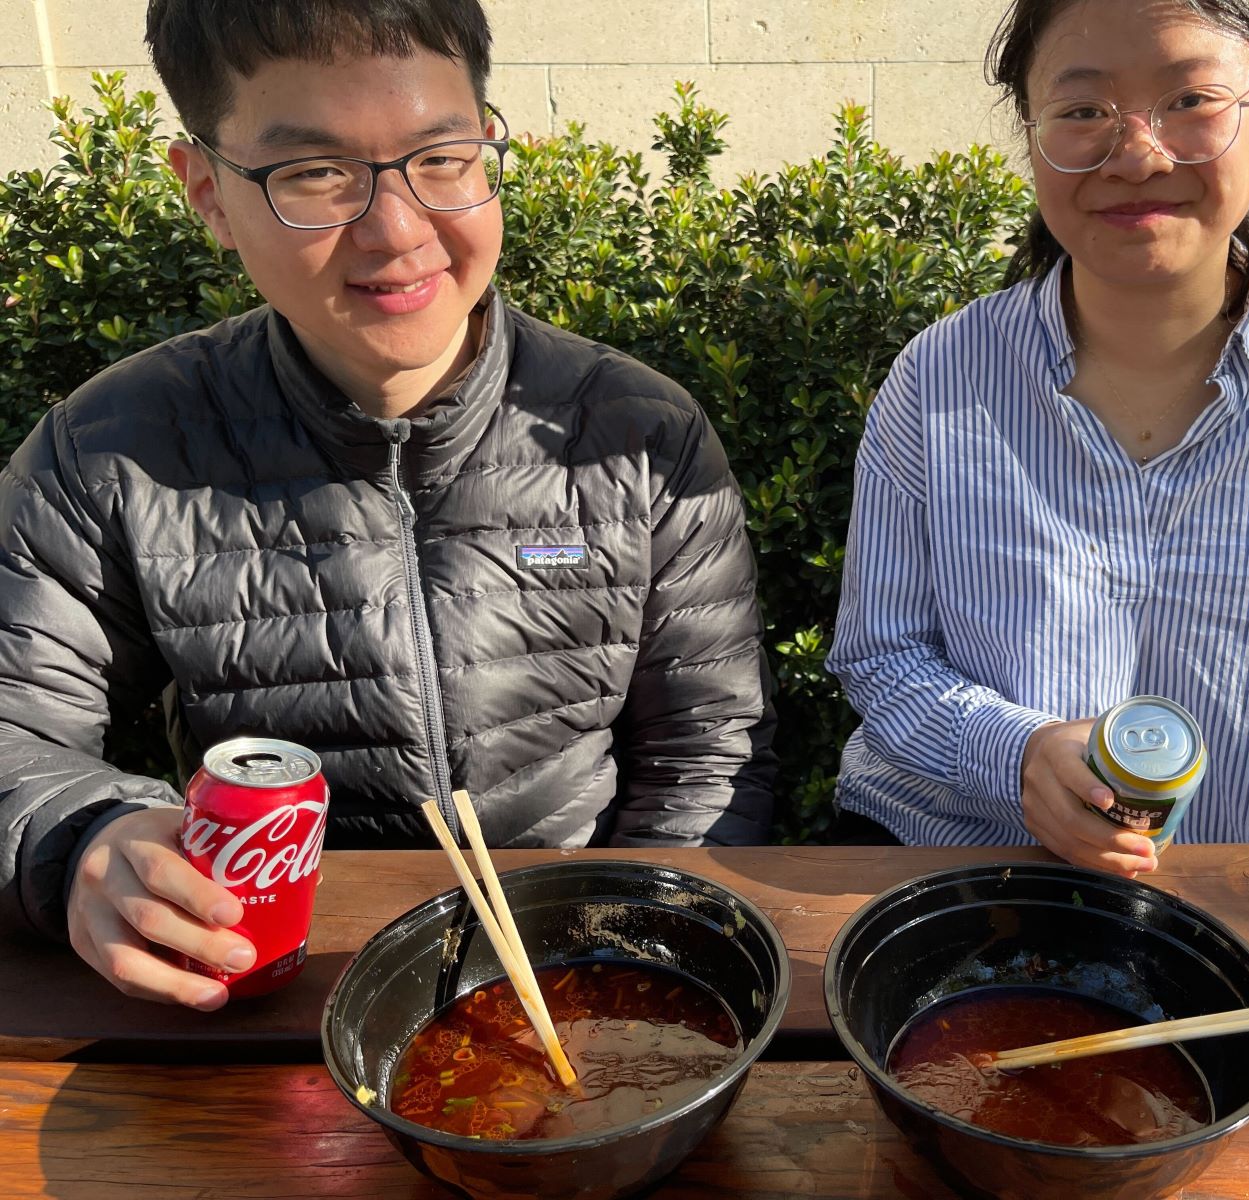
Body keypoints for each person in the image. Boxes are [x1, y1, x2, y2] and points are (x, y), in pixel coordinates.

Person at [0, 0, 776, 1011]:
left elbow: (708, 751)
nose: (399, 231)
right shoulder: (109, 452)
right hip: (267, 993)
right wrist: (81, 837)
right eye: (314, 174)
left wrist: (627, 963)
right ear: (209, 194)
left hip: (578, 977)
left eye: (442, 158)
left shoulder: (636, 433)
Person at [826, 0, 1249, 873]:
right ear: (1031, 130)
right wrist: (1017, 754)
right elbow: (882, 655)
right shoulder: (943, 373)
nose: (1139, 155)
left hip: (1230, 891)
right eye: (1084, 110)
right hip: (953, 867)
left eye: (1190, 101)